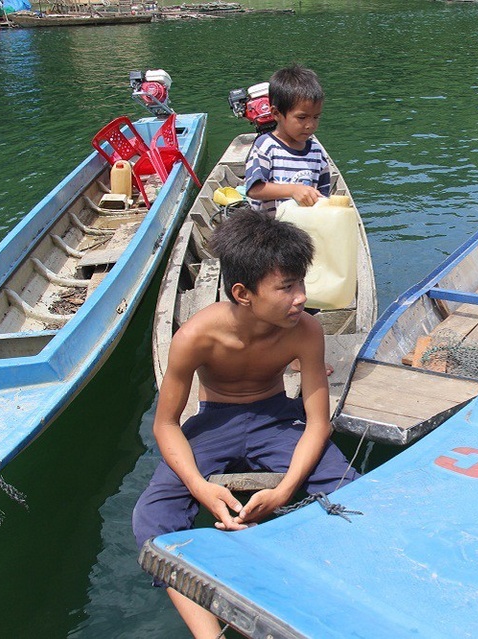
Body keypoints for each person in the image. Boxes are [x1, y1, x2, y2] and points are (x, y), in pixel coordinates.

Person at [132, 210, 359, 639]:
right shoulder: (196, 337)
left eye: (301, 283)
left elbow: (317, 424)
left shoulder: (305, 331)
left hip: (277, 417)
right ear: (243, 293)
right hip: (214, 421)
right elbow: (166, 425)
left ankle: (310, 596)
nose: (300, 297)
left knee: (352, 490)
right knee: (152, 517)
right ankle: (209, 633)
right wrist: (200, 488)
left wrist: (283, 490)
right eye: (286, 287)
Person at [245, 64, 330, 215]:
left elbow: (324, 196)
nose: (310, 125)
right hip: (268, 228)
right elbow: (254, 189)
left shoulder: (317, 152)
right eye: (302, 118)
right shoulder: (266, 146)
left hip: (304, 227)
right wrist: (292, 190)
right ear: (276, 113)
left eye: (316, 117)